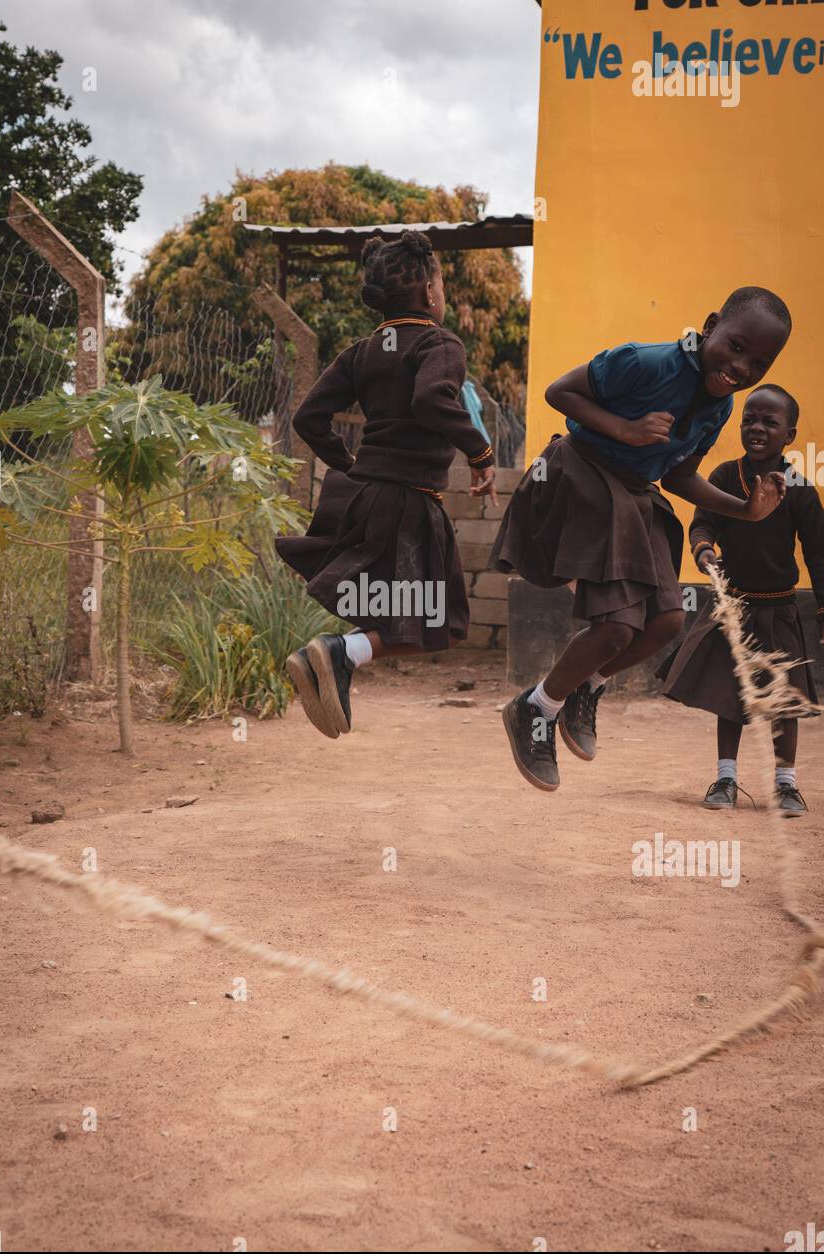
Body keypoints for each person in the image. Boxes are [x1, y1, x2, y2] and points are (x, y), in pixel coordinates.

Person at [489, 286, 792, 791]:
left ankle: (586, 686)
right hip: (583, 474)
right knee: (615, 628)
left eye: (758, 363)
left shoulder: (718, 408)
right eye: (736, 347)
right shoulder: (645, 364)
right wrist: (625, 429)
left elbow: (678, 476)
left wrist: (746, 510)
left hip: (636, 493)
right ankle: (535, 709)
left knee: (668, 621)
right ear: (712, 324)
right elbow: (559, 392)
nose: (741, 368)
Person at [276, 231, 496, 738]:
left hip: (366, 497)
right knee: (441, 621)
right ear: (430, 293)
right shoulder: (440, 343)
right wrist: (480, 452)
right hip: (408, 504)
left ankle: (343, 655)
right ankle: (340, 651)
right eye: (441, 282)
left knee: (403, 612)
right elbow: (429, 401)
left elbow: (308, 419)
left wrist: (351, 463)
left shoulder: (363, 351)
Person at [659, 383, 824, 816]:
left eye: (769, 422)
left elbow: (818, 552)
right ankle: (726, 777)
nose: (756, 428)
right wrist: (704, 548)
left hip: (781, 606)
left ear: (789, 434)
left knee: (783, 698)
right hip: (734, 605)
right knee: (729, 696)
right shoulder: (722, 478)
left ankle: (786, 785)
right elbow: (702, 523)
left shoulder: (800, 488)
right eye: (749, 418)